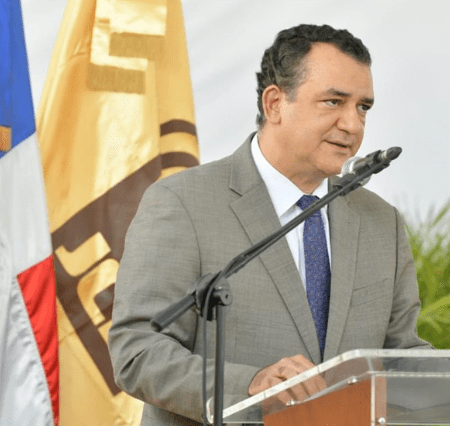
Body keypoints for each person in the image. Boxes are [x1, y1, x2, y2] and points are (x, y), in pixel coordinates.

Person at [108, 24, 430, 426]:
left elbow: (400, 358)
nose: (353, 125)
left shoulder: (382, 223)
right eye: (333, 102)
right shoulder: (182, 203)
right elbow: (138, 351)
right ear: (275, 103)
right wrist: (250, 385)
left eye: (363, 107)